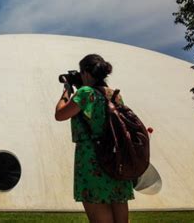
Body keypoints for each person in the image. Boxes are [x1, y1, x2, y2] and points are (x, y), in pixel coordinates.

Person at [55, 54, 134, 223]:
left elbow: (60, 114)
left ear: (85, 73)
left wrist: (66, 92)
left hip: (92, 158)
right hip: (115, 158)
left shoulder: (85, 93)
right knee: (119, 207)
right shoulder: (115, 95)